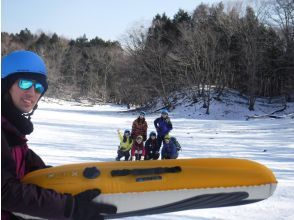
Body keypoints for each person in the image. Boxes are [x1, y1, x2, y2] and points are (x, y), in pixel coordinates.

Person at [1, 50, 117, 220]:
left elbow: (34, 173)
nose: (32, 92)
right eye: (25, 83)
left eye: (39, 87)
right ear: (4, 85)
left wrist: (70, 185)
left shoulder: (13, 135)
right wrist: (69, 207)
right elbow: (5, 192)